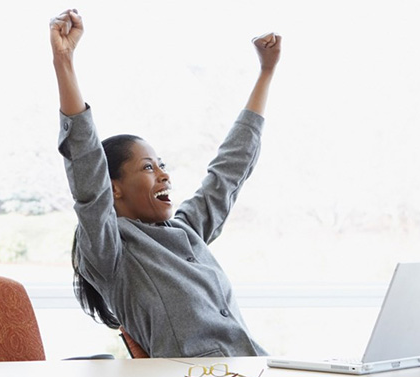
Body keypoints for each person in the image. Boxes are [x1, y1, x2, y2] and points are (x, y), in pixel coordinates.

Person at [49, 8, 281, 357]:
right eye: (147, 167)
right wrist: (64, 62)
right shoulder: (110, 251)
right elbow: (86, 167)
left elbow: (230, 169)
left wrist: (266, 72)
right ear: (113, 187)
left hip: (252, 375)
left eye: (161, 165)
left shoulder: (188, 230)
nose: (164, 174)